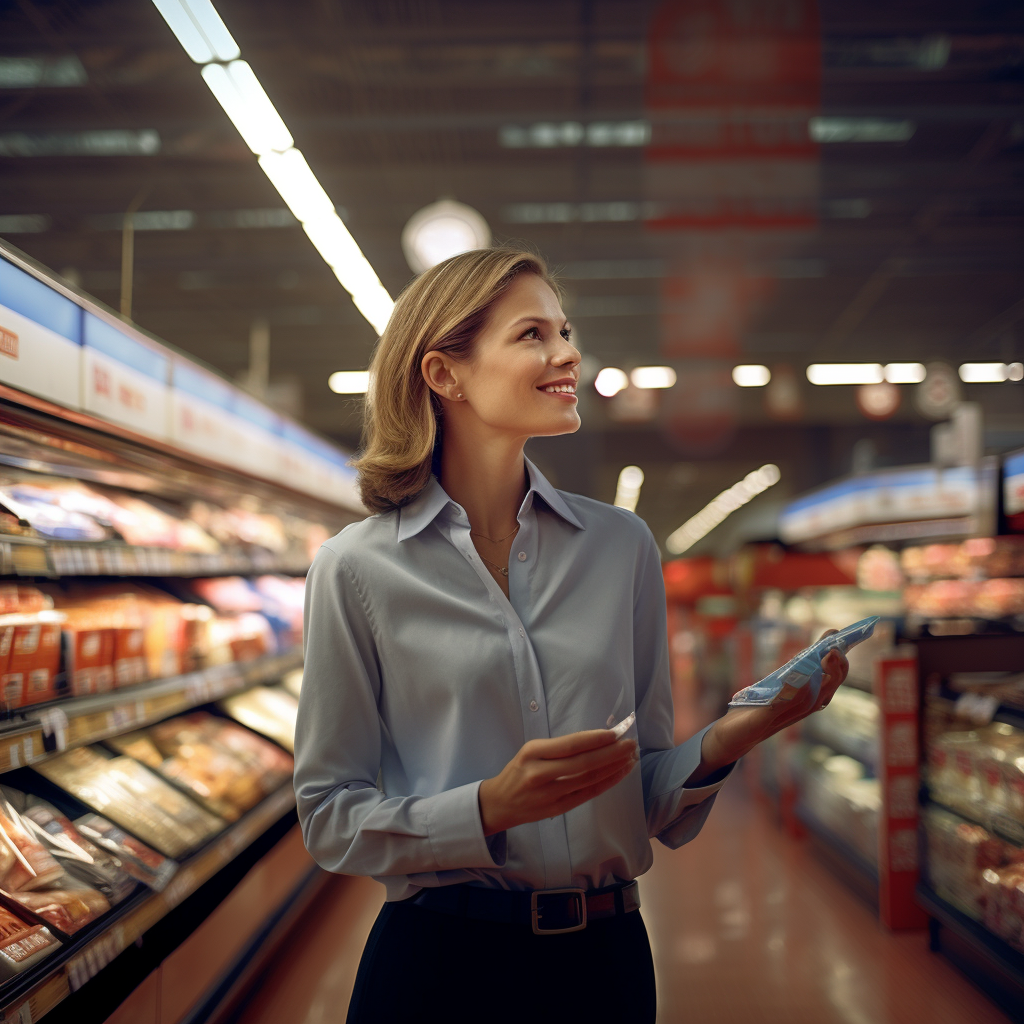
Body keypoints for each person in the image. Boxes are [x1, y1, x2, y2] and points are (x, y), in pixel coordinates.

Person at [294, 247, 848, 1023]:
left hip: (604, 967)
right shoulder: (356, 570)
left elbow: (645, 791)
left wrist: (733, 736)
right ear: (444, 374)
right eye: (532, 335)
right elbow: (328, 813)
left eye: (565, 329)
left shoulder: (620, 548)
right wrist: (488, 807)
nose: (567, 353)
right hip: (438, 969)